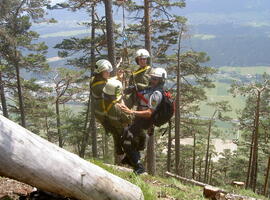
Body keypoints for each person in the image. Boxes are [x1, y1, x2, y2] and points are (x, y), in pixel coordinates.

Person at [119, 67, 167, 174]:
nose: (152, 80)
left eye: (155, 79)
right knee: (133, 140)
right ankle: (131, 159)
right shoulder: (152, 89)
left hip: (145, 121)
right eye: (152, 78)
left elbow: (149, 113)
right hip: (141, 120)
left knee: (126, 139)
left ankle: (139, 167)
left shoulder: (157, 94)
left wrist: (131, 112)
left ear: (161, 81)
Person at [94, 79, 134, 160]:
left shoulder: (97, 103)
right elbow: (129, 119)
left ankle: (119, 152)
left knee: (116, 135)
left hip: (108, 126)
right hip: (121, 129)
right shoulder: (118, 108)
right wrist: (123, 105)